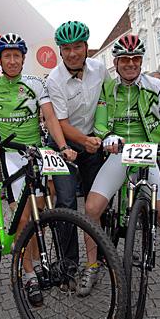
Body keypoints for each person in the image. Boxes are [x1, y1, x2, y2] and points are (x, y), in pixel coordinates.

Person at [0, 33, 77, 307]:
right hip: (11, 156)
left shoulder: (36, 83)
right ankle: (28, 274)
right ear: (0, 59)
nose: (12, 60)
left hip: (35, 154)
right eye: (7, 56)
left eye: (17, 55)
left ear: (23, 59)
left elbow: (49, 116)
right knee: (23, 220)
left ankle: (36, 260)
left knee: (39, 216)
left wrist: (61, 146)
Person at [83, 34, 160, 297]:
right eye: (125, 59)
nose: (131, 64)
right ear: (116, 62)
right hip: (119, 151)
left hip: (148, 150)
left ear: (141, 61)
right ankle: (92, 265)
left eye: (136, 59)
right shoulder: (108, 88)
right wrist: (107, 137)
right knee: (92, 208)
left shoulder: (157, 86)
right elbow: (100, 122)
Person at [46, 21, 110, 265]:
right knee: (66, 202)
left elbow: (106, 102)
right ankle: (68, 262)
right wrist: (85, 140)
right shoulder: (55, 79)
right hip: (61, 144)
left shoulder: (100, 69)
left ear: (86, 47)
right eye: (66, 48)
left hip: (91, 140)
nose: (72, 53)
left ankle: (103, 254)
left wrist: (101, 135)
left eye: (77, 47)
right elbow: (59, 122)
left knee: (97, 200)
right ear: (60, 51)